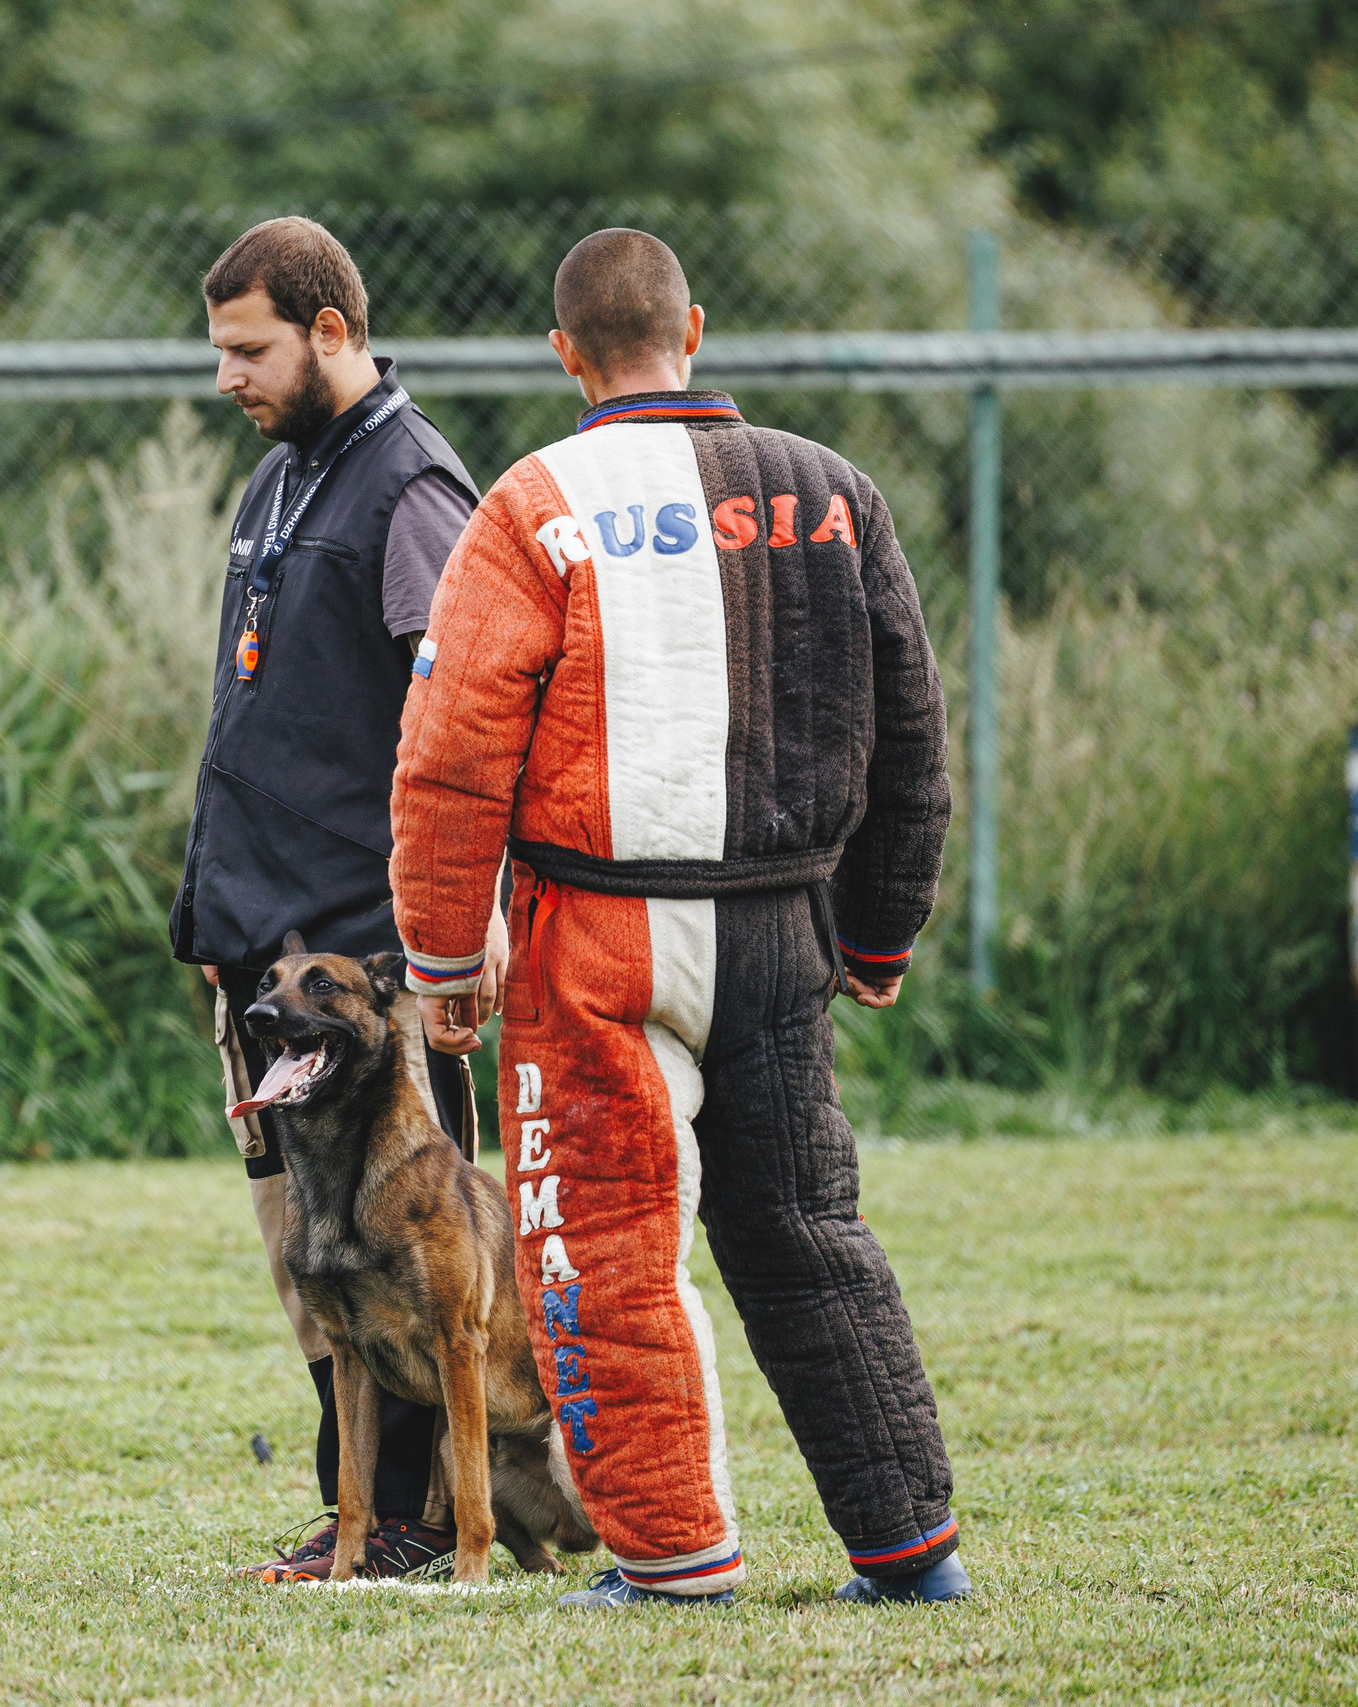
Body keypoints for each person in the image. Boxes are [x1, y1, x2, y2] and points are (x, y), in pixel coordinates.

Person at [387, 228, 970, 1608]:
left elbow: (452, 749)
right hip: (783, 928)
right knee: (808, 1230)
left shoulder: (533, 506)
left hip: (599, 936)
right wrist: (879, 930)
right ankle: (911, 1555)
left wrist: (444, 954)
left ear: (564, 353)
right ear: (693, 328)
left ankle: (672, 1560)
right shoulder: (835, 494)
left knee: (606, 1242)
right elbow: (914, 733)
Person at [170, 215, 504, 1583]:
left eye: (247, 350)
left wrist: (455, 922)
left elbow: (466, 713)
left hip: (368, 969)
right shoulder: (283, 480)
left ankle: (423, 1525)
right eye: (217, 352)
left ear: (328, 331)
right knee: (307, 1255)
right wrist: (215, 922)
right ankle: (358, 1514)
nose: (227, 378)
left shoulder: (409, 486)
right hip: (265, 953)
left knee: (406, 1250)